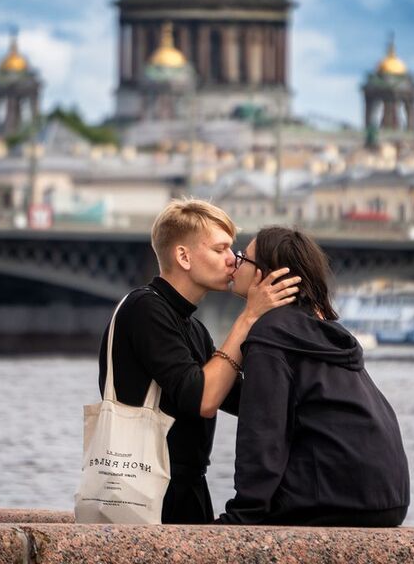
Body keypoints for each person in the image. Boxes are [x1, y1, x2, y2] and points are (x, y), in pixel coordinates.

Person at [98, 199, 301, 524]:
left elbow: (243, 398)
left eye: (232, 248)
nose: (233, 259)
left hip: (184, 488)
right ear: (183, 256)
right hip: (146, 490)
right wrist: (248, 317)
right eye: (220, 249)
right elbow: (203, 399)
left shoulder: (193, 328)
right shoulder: (145, 309)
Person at [218, 226, 410, 527]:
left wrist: (243, 515)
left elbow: (263, 433)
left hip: (335, 499)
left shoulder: (271, 333)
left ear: (266, 277)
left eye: (244, 258)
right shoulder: (322, 331)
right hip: (388, 499)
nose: (235, 262)